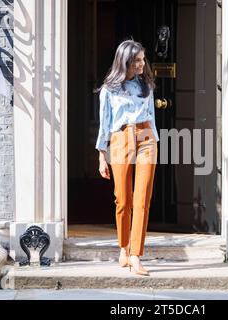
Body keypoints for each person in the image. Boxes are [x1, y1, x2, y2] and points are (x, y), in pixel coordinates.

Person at [95, 39, 159, 276]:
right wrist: (102, 155)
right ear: (125, 62)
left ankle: (135, 255)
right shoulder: (109, 89)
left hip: (146, 139)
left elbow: (151, 116)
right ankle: (123, 247)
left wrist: (152, 139)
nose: (142, 64)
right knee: (123, 200)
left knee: (143, 199)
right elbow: (104, 124)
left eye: (143, 59)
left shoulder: (146, 86)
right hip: (120, 138)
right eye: (137, 60)